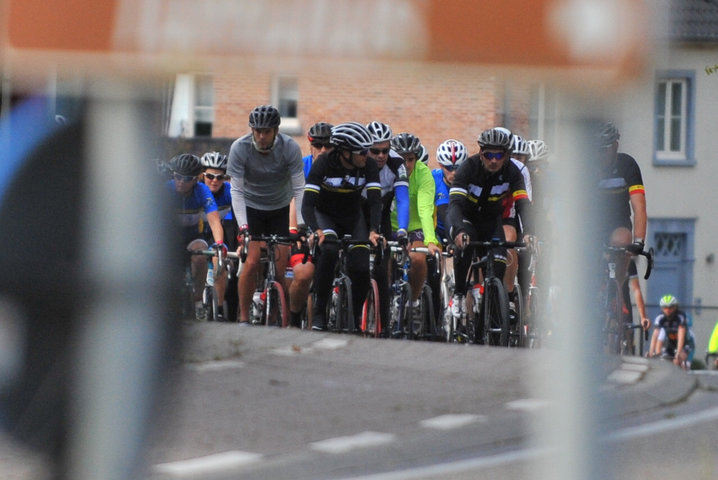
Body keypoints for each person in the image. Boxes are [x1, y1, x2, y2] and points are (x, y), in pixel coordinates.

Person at [228, 105, 305, 324]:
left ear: (276, 131)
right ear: (252, 130)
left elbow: (299, 188)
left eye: (267, 131)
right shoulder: (239, 148)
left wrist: (300, 224)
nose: (262, 136)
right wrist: (243, 227)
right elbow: (236, 191)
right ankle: (243, 318)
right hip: (251, 208)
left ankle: (278, 316)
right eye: (257, 131)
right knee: (252, 262)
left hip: (279, 207)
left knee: (280, 271)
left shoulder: (290, 148)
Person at [302, 122, 382, 331]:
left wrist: (374, 229)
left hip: (352, 217)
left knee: (363, 267)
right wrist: (315, 229)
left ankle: (355, 318)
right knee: (328, 250)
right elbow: (307, 204)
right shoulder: (323, 164)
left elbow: (375, 201)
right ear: (345, 152)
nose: (367, 155)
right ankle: (319, 312)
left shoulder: (369, 166)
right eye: (362, 152)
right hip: (325, 215)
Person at [447, 127, 532, 319]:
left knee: (500, 263)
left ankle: (490, 314)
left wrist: (529, 232)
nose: (494, 160)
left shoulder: (513, 172)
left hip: (491, 222)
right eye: (489, 154)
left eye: (499, 155)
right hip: (466, 219)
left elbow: (523, 205)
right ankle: (460, 293)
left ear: (507, 155)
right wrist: (458, 231)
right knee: (466, 246)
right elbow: (455, 206)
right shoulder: (468, 168)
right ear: (481, 153)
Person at [286, 122, 335, 327]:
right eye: (318, 145)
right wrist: (295, 231)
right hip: (303, 226)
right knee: (304, 274)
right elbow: (292, 201)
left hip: (329, 227)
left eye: (328, 145)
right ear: (310, 146)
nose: (322, 150)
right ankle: (295, 317)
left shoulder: (339, 167)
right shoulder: (300, 167)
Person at [168, 153, 226, 320]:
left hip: (192, 236)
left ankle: (198, 300)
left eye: (186, 179)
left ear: (195, 179)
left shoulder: (202, 191)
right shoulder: (166, 189)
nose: (180, 182)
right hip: (171, 238)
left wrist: (219, 243)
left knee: (201, 255)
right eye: (177, 177)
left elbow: (215, 221)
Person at [365, 121, 409, 330]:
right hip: (358, 212)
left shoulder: (397, 164)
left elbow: (402, 199)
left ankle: (383, 324)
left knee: (383, 269)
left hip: (381, 214)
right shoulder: (360, 160)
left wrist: (402, 229)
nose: (381, 155)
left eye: (385, 150)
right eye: (375, 151)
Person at [390, 133, 441, 317]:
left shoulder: (423, 173)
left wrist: (430, 240)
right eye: (402, 159)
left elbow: (425, 209)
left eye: (410, 159)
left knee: (419, 259)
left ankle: (413, 300)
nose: (406, 164)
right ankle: (385, 296)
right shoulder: (386, 169)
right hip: (390, 225)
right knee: (384, 260)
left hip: (414, 226)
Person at [596, 121, 647, 255]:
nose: (599, 155)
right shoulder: (586, 167)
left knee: (622, 240)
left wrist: (638, 242)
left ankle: (619, 275)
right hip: (592, 222)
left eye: (603, 150)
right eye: (595, 150)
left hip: (618, 223)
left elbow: (639, 207)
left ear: (615, 146)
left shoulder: (627, 165)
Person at [199, 151, 235, 321]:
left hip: (216, 234)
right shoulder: (196, 190)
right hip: (196, 234)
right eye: (210, 176)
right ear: (202, 175)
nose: (215, 181)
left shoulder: (229, 192)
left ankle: (219, 307)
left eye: (219, 177)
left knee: (219, 258)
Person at [432, 139, 468, 243]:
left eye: (459, 167)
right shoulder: (433, 177)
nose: (454, 173)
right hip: (438, 229)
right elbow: (445, 212)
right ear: (440, 165)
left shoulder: (470, 177)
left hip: (462, 226)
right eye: (449, 168)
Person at [648, 295, 693, 369]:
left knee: (677, 361)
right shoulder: (660, 317)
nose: (668, 310)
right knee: (661, 361)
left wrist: (678, 353)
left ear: (675, 307)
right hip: (671, 343)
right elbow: (656, 335)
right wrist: (651, 352)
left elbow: (681, 336)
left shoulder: (680, 316)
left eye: (670, 307)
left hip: (685, 343)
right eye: (665, 308)